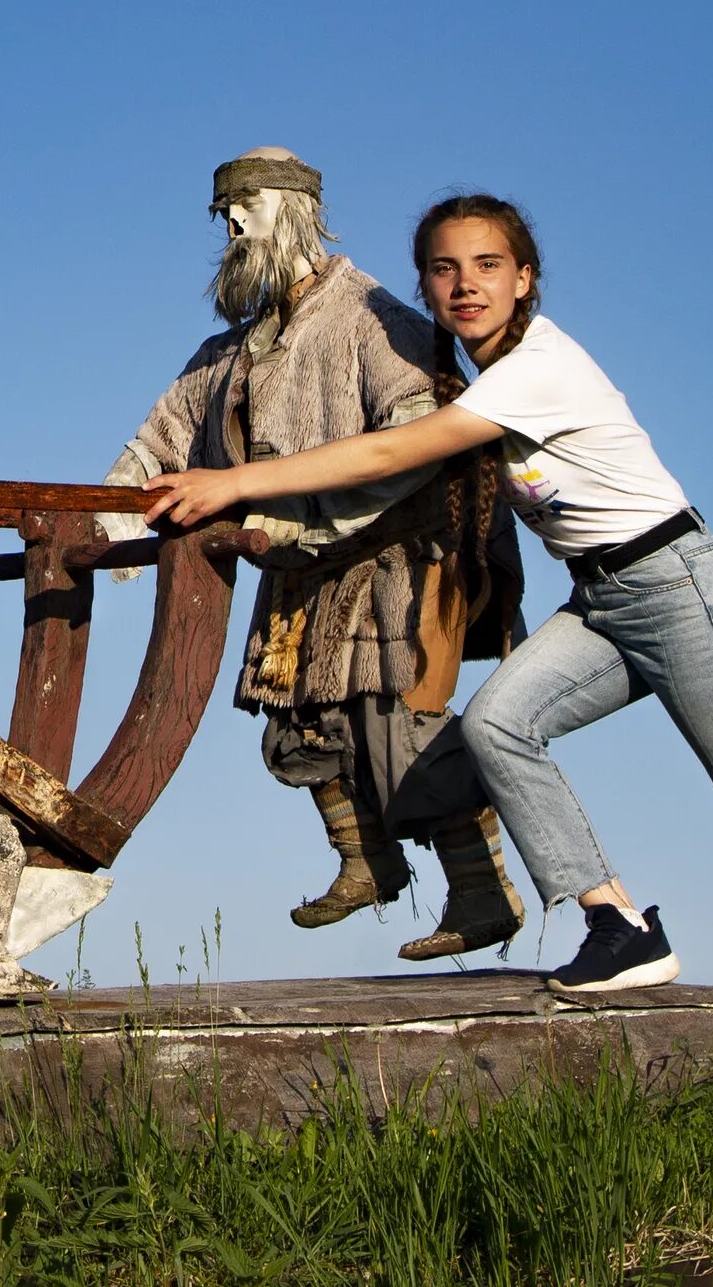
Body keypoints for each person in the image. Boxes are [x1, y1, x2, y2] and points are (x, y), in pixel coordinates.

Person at [146, 194, 713, 1056]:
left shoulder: (538, 368)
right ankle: (618, 927)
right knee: (499, 726)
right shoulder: (490, 376)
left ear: (525, 279)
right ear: (426, 284)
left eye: (488, 266)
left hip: (681, 592)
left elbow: (388, 451)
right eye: (444, 269)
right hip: (604, 600)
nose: (466, 285)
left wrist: (234, 485)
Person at [101, 149, 526, 960]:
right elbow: (155, 446)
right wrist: (100, 531)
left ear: (294, 210)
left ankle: (481, 894)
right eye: (222, 211)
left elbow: (421, 443)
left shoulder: (375, 318)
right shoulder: (226, 354)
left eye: (246, 206)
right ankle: (366, 862)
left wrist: (311, 521)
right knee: (299, 729)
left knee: (401, 735)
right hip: (297, 572)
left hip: (392, 562)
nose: (230, 224)